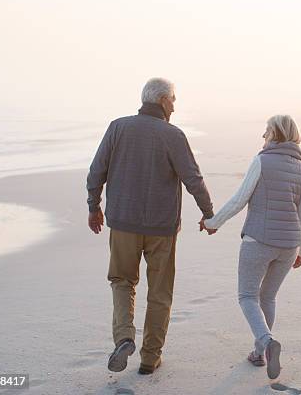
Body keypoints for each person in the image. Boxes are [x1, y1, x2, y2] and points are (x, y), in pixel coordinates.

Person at [86, 77, 214, 375]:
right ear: (162, 101)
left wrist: (94, 206)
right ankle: (150, 357)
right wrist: (209, 214)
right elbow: (193, 178)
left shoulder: (118, 127)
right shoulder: (173, 135)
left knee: (121, 281)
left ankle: (124, 337)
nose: (174, 105)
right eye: (173, 99)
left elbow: (97, 170)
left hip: (123, 223)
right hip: (162, 228)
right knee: (159, 291)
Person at [202, 115, 301, 379]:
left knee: (248, 297)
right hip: (289, 245)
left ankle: (267, 341)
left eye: (266, 132)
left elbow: (240, 199)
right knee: (268, 297)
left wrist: (214, 222)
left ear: (274, 134)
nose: (263, 137)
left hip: (259, 241)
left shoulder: (261, 161)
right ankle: (260, 353)